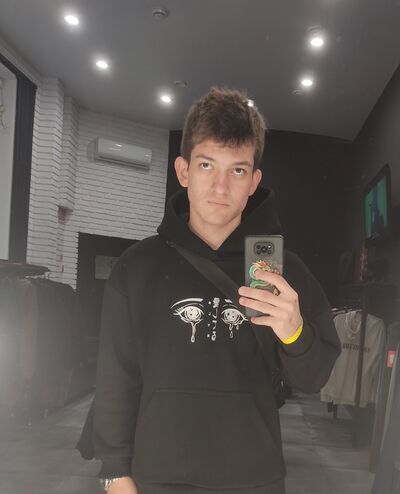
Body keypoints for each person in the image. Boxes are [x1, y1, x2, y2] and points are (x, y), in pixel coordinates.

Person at [92, 87, 341, 494]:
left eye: (237, 171)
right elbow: (115, 376)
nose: (221, 187)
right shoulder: (137, 267)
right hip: (157, 477)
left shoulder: (284, 272)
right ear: (184, 171)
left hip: (254, 480)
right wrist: (114, 471)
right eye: (207, 165)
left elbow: (314, 379)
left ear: (254, 181)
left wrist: (295, 332)